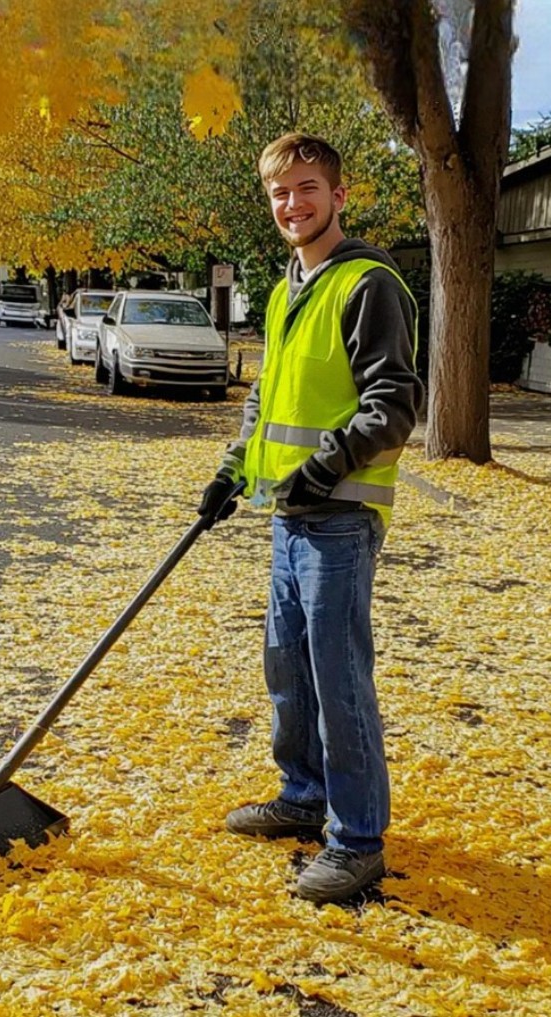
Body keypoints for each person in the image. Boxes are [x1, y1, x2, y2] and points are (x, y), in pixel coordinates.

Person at [197, 132, 424, 905]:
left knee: (337, 679)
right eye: (279, 193)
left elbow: (394, 406)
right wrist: (232, 471)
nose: (291, 205)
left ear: (337, 195)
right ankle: (301, 795)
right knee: (286, 669)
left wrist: (321, 468)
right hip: (286, 517)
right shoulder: (288, 286)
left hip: (339, 517)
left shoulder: (367, 284)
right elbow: (267, 404)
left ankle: (356, 841)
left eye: (305, 189)